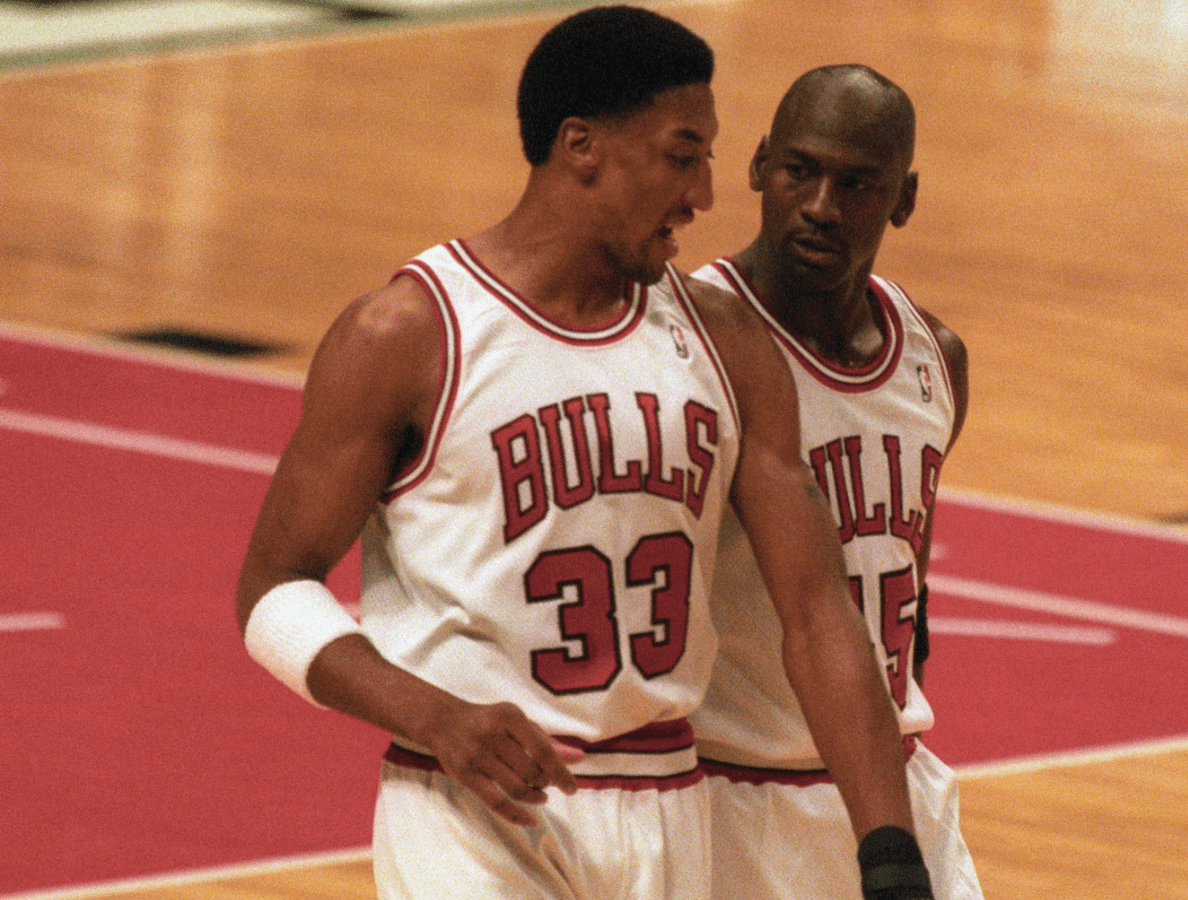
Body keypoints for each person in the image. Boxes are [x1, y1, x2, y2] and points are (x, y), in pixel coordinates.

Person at [235, 8, 933, 900]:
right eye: (684, 156)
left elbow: (818, 611)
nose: (706, 194)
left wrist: (889, 850)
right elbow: (272, 591)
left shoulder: (728, 342)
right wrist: (438, 717)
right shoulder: (410, 333)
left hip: (668, 807)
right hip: (470, 802)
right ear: (581, 147)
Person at [690, 64, 984, 900]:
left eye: (857, 184)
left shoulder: (936, 357)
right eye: (799, 171)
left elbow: (904, 578)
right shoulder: (689, 340)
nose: (821, 204)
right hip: (730, 791)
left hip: (892, 782)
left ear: (905, 197)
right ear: (756, 166)